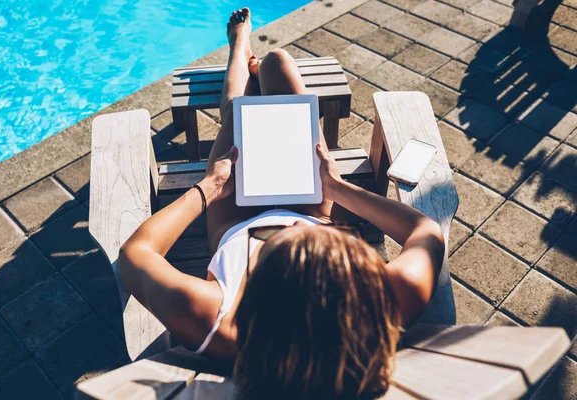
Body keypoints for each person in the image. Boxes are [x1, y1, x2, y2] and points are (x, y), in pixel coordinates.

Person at [117, 8, 445, 400]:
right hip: (312, 205)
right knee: (278, 64)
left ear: (259, 291)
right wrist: (337, 188)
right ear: (358, 283)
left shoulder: (218, 322)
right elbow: (426, 232)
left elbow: (134, 254)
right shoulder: (382, 309)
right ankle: (257, 66)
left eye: (274, 243)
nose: (285, 226)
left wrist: (207, 188)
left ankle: (240, 46)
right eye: (342, 239)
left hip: (231, 216)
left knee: (235, 115)